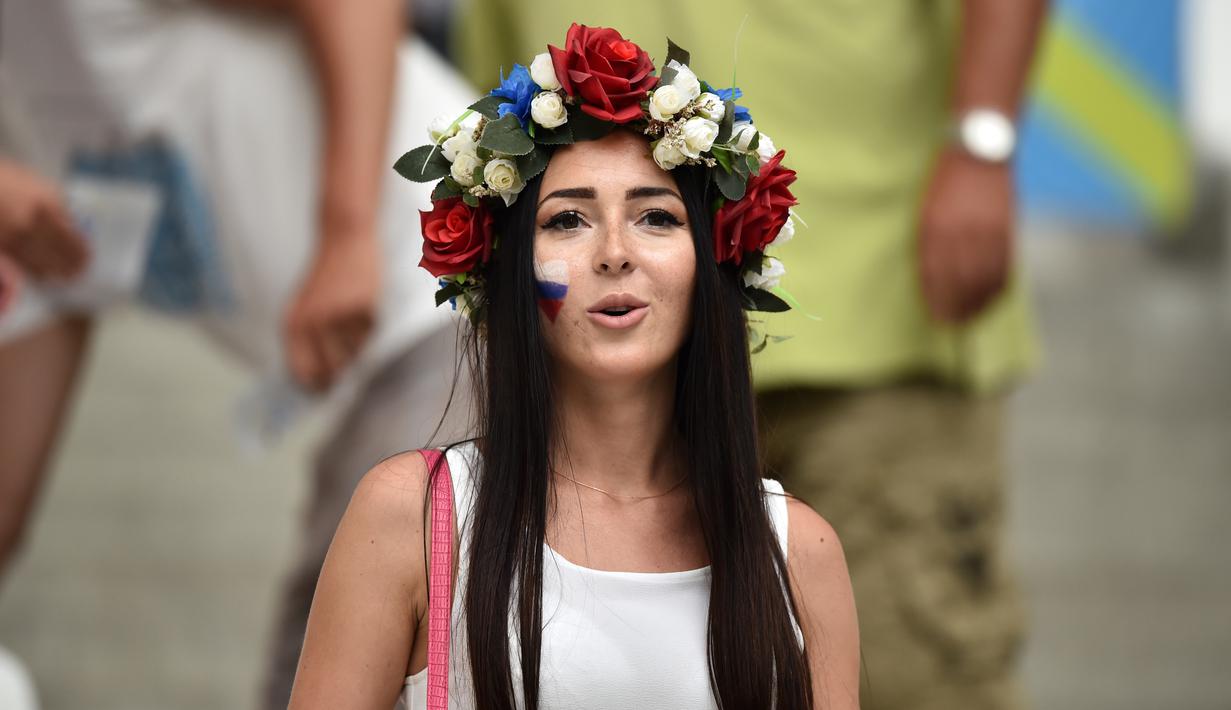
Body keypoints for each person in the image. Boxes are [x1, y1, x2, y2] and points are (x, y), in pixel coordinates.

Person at [456, 3, 1047, 708]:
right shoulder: (418, 512)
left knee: (913, 674)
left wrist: (981, 143)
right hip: (602, 385)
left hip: (875, 303)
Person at [289, 24, 859, 709]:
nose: (615, 252)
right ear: (504, 273)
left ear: (714, 264)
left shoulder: (797, 550)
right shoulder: (415, 515)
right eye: (566, 221)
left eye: (656, 218)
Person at [0, 2, 474, 705]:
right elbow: (49, 320)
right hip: (378, 367)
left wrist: (346, 234)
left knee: (350, 657)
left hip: (451, 281)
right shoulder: (22, 128)